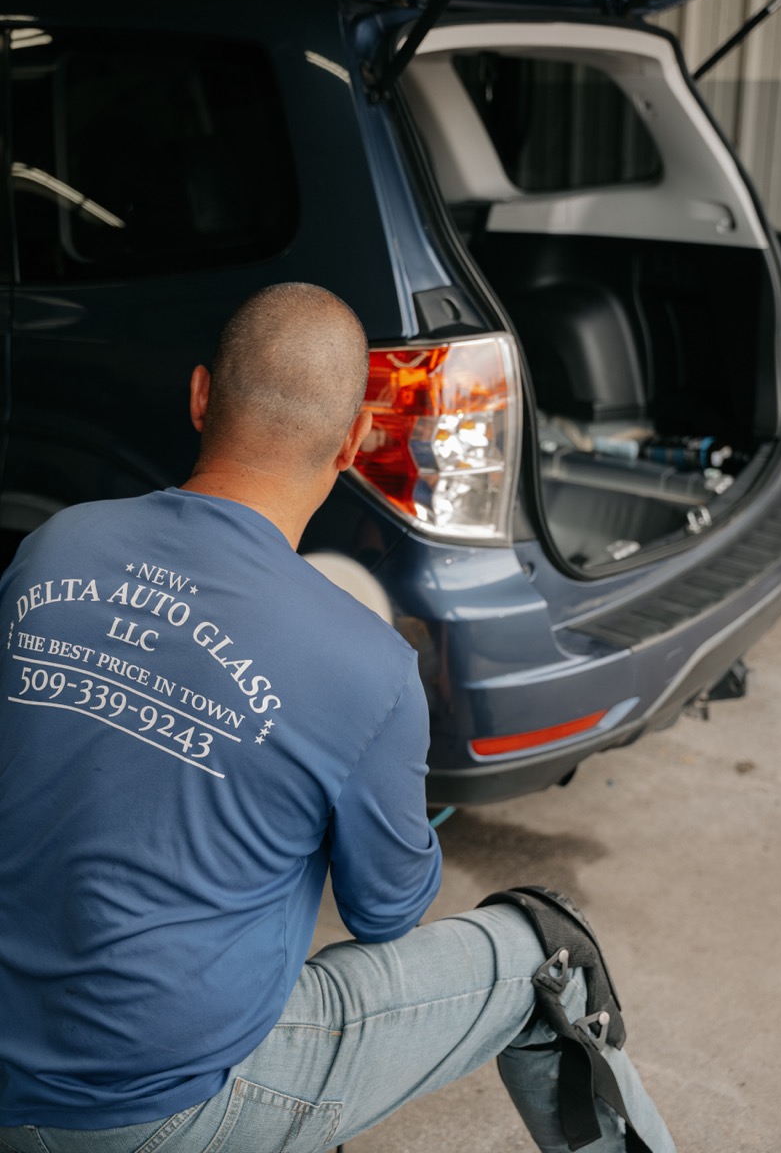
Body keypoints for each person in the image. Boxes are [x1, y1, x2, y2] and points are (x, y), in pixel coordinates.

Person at [0, 282, 675, 1153]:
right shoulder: (367, 667)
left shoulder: (54, 546)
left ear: (201, 395)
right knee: (549, 955)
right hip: (151, 1112)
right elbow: (386, 913)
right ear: (356, 441)